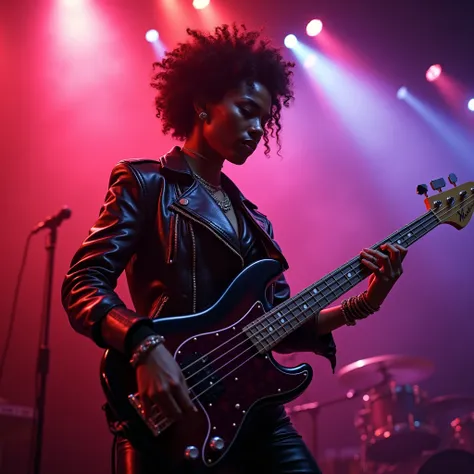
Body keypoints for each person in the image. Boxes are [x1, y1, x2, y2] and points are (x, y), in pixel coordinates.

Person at [61, 23, 407, 474]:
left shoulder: (255, 222)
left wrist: (364, 303)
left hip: (257, 415)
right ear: (203, 104)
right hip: (174, 407)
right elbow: (82, 283)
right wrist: (145, 345)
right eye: (246, 110)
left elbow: (282, 326)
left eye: (265, 118)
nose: (258, 128)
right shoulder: (145, 183)